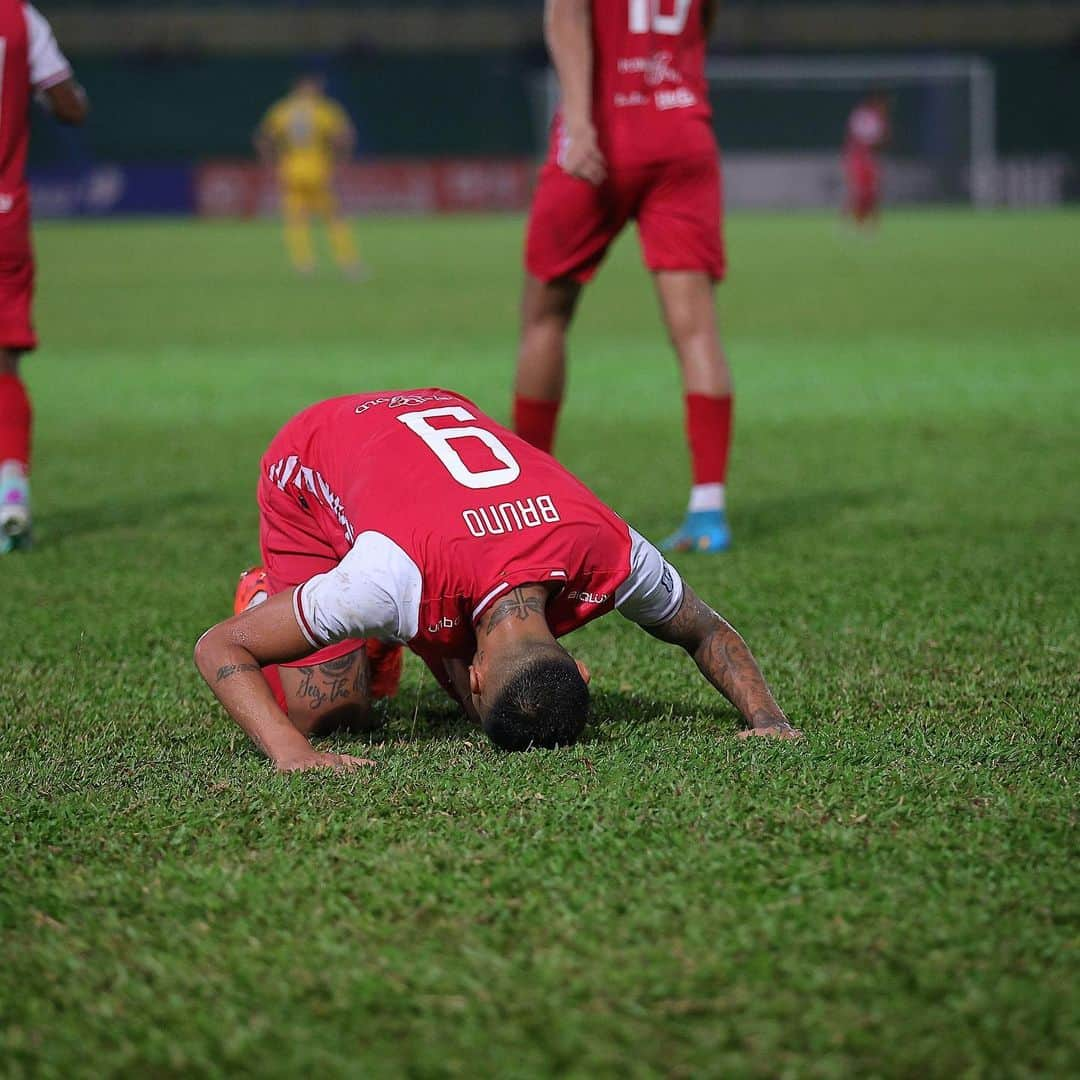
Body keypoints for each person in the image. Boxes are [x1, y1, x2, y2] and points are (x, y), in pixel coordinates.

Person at [194, 388, 800, 773]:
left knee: (453, 660)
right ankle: (268, 595)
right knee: (330, 718)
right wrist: (293, 756)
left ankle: (382, 635)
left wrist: (770, 721)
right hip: (314, 458)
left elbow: (703, 628)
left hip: (429, 464)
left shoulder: (610, 546)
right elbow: (220, 646)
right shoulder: (388, 578)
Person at [513, 0, 734, 554]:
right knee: (697, 329)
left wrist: (582, 125)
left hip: (604, 133)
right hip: (682, 132)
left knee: (545, 318)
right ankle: (709, 510)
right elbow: (701, 23)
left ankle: (520, 505)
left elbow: (566, 16)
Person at [0, 1, 88, 554]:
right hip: (4, 213)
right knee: (4, 360)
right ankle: (11, 494)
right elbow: (68, 106)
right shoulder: (18, 16)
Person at [254, 74, 362, 277]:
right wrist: (340, 160)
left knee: (296, 219)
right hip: (317, 168)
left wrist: (272, 163)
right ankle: (348, 262)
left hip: (290, 169)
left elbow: (263, 138)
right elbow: (345, 137)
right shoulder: (324, 110)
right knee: (333, 217)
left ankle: (304, 265)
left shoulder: (283, 109)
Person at [844, 91, 890, 228]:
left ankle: (872, 223)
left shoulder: (879, 117)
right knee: (859, 191)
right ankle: (853, 221)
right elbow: (867, 138)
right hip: (858, 156)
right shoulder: (863, 115)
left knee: (873, 191)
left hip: (870, 157)